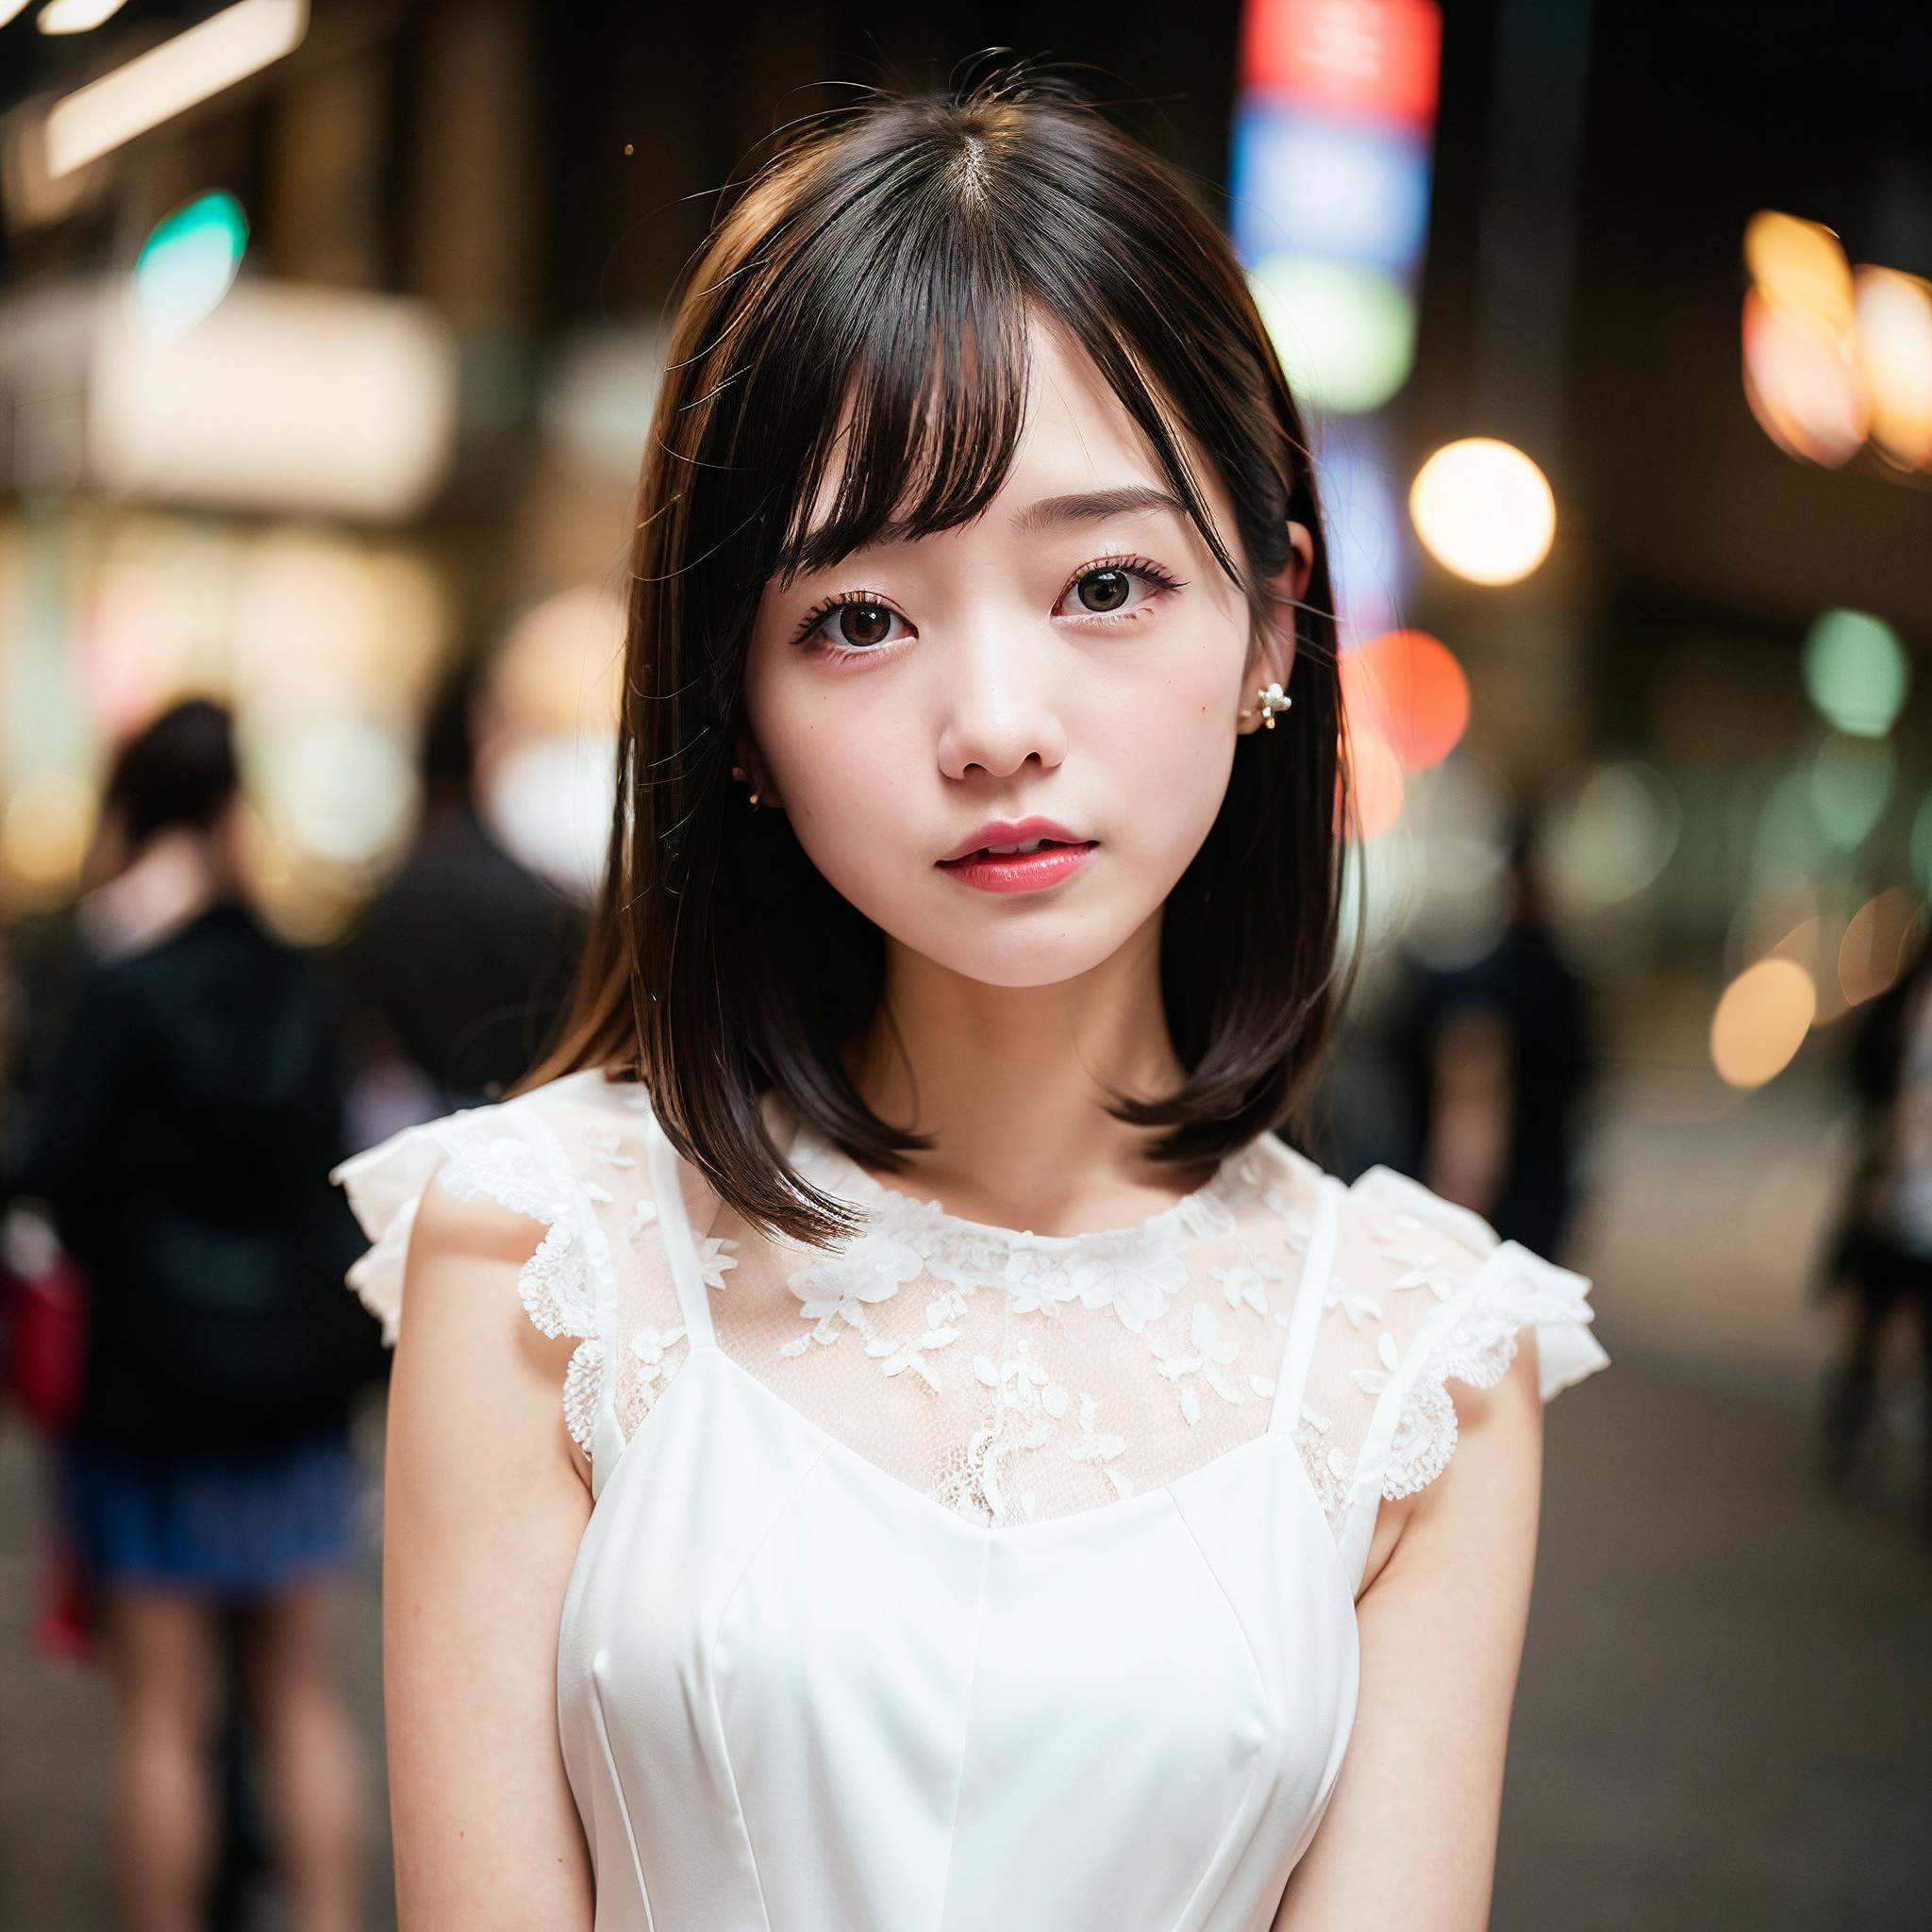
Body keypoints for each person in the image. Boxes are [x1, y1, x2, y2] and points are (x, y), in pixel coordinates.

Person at [333, 76, 1610, 1930]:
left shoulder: (1424, 1359)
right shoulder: (540, 1251)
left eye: (1105, 581)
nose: (996, 721)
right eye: (858, 614)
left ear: (1268, 623)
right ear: (737, 714)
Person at [14, 698, 376, 1932]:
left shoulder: (117, 987)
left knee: (160, 1713)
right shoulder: (303, 979)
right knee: (297, 1694)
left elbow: (51, 1169)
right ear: (237, 814)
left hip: (151, 1387)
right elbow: (341, 1169)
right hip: (293, 1384)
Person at [1818, 917, 1932, 1531]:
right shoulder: (1902, 1005)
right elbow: (1862, 1071)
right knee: (1869, 1325)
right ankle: (1849, 1427)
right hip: (1892, 1198)